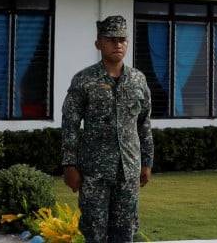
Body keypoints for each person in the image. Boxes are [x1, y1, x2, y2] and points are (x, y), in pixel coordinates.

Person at [62, 15, 154, 243]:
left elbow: (144, 123)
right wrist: (69, 165)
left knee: (125, 233)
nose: (118, 44)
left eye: (122, 39)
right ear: (98, 43)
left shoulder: (138, 80)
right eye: (111, 39)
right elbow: (70, 124)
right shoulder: (84, 80)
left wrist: (147, 162)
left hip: (129, 171)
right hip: (94, 172)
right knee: (94, 232)